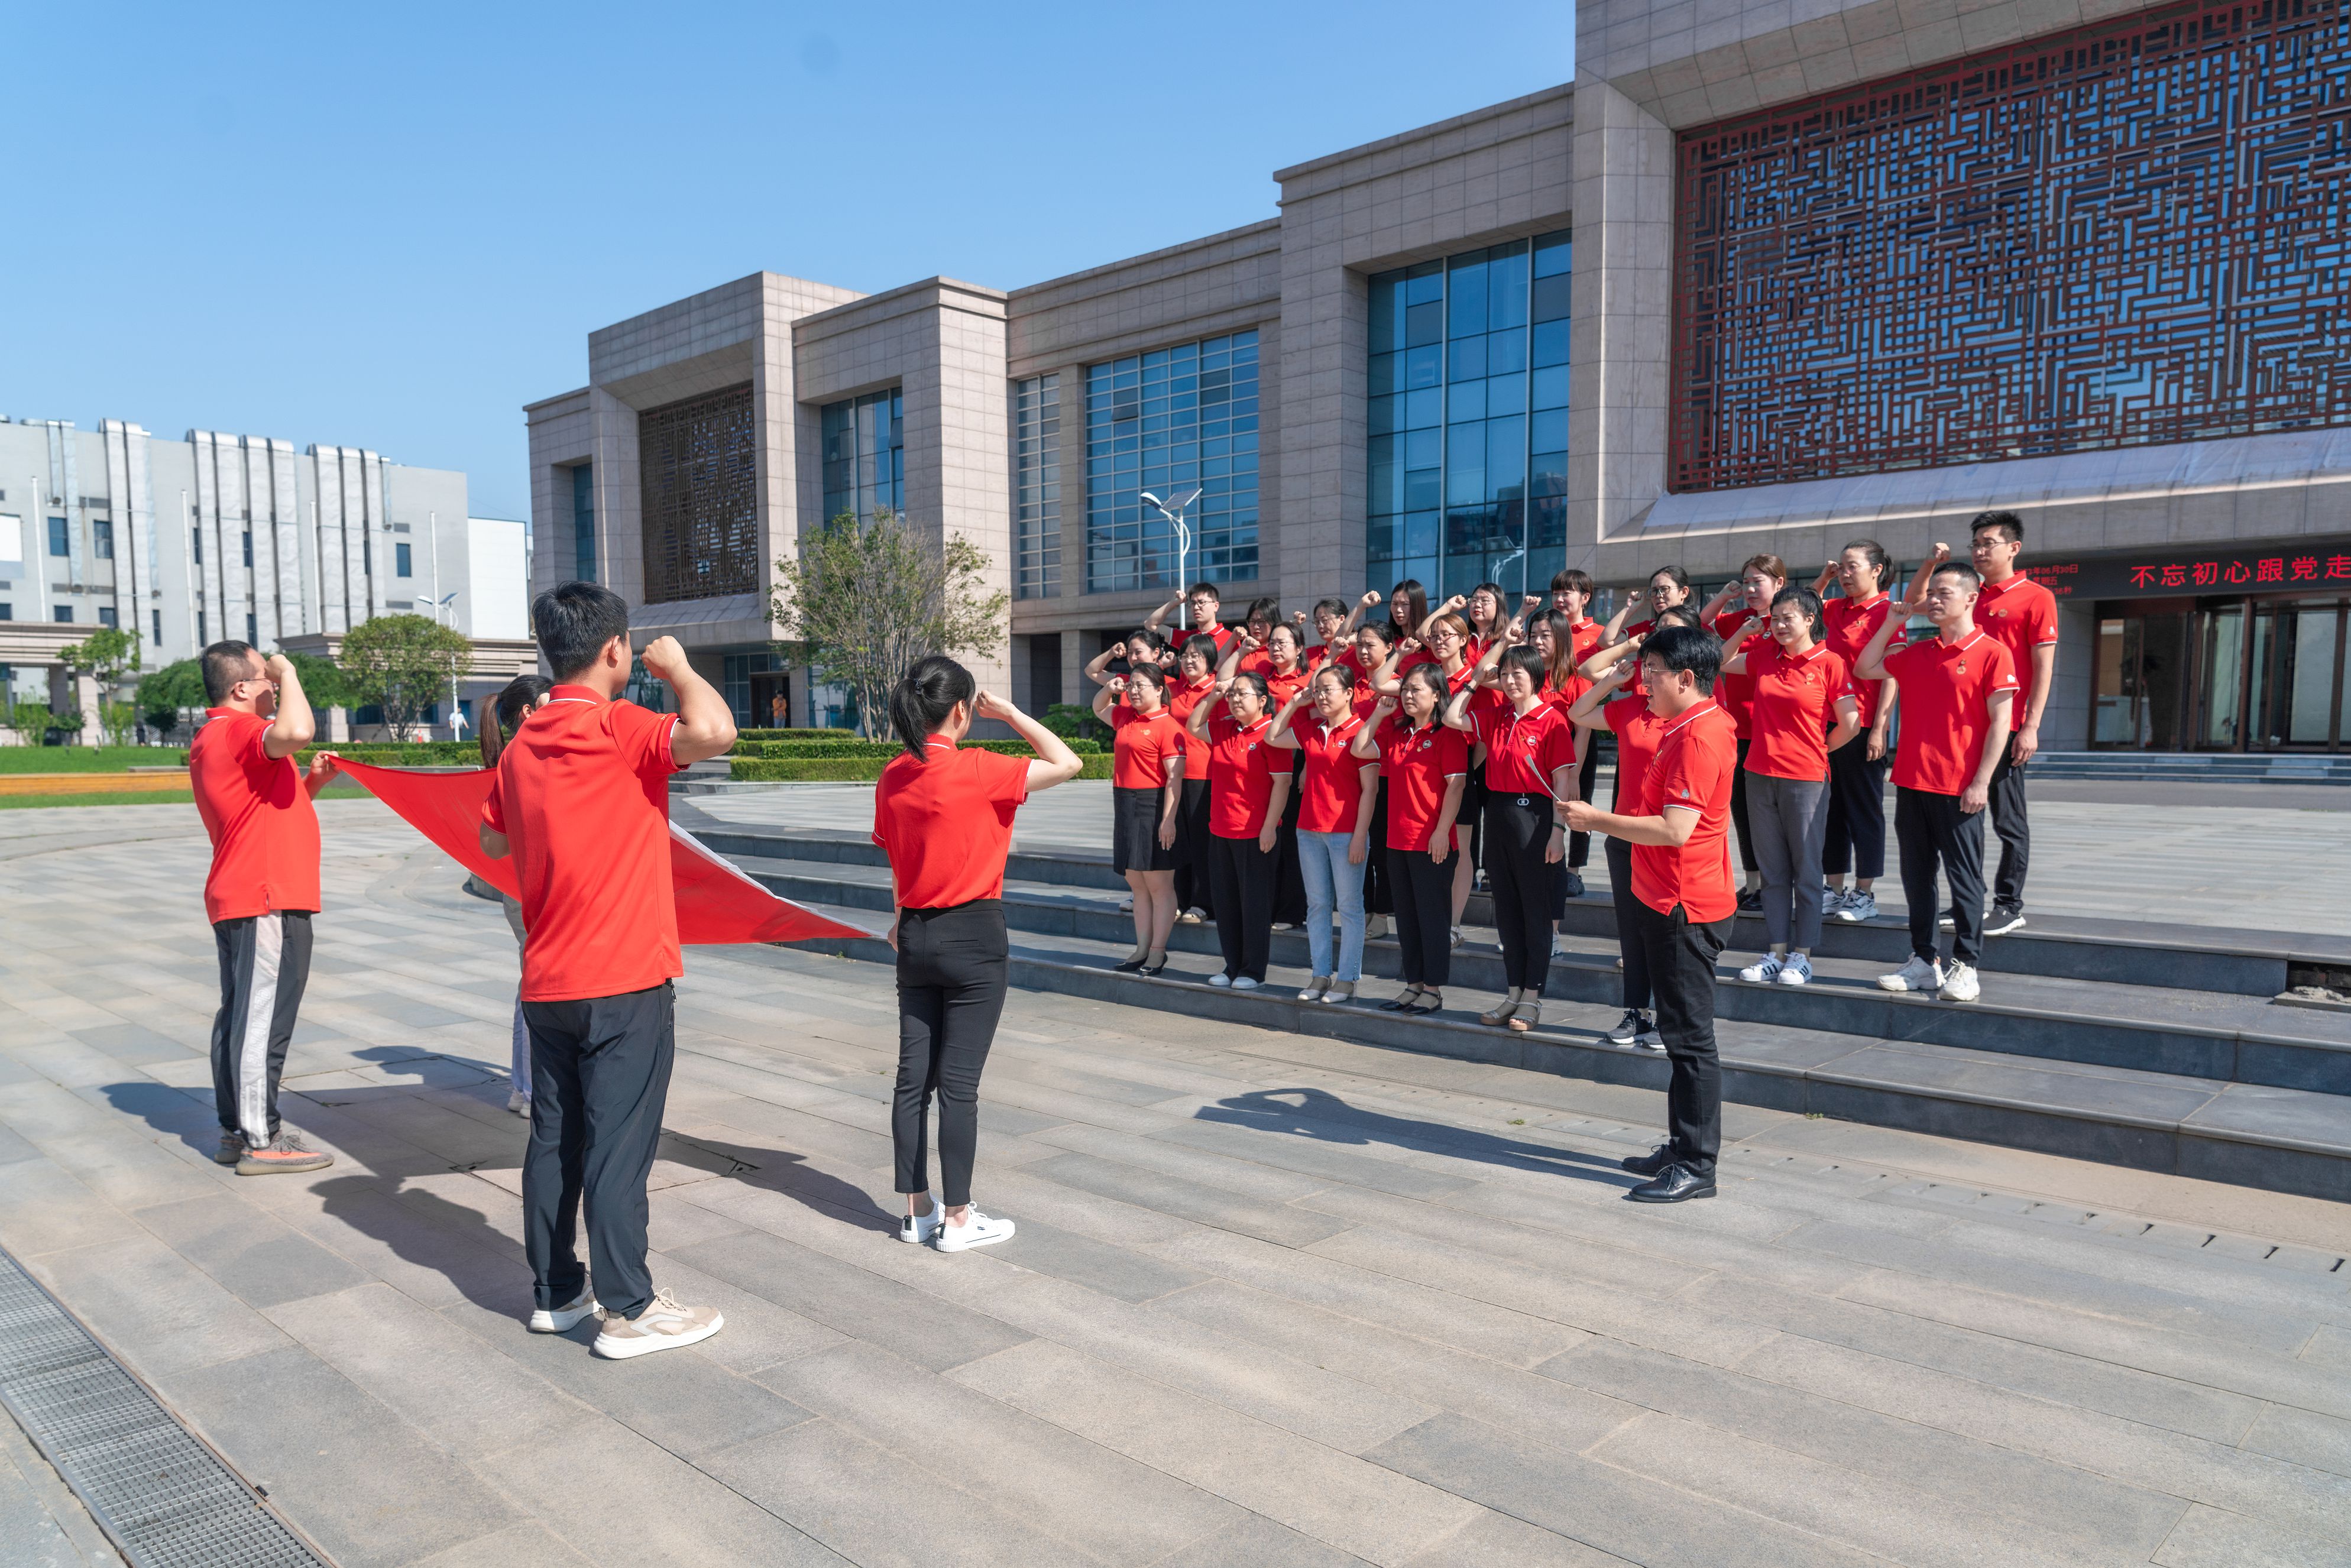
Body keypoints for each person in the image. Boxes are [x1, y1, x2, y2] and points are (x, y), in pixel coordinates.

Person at [479, 582, 737, 1356]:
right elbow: (715, 730)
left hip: (548, 978)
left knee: (555, 1140)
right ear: (615, 649)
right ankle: (630, 1308)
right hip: (624, 975)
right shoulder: (617, 724)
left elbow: (493, 844)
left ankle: (557, 1293)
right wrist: (680, 668)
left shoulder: (523, 744)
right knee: (619, 1147)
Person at [874, 658, 1081, 1253]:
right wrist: (1012, 714)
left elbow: (897, 859)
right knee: (958, 1088)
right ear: (962, 710)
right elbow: (1069, 762)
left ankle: (918, 1212)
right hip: (973, 936)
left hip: (915, 932)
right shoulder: (980, 768)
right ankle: (960, 1219)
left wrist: (901, 918)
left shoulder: (894, 775)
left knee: (912, 1082)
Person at [1565, 624, 1738, 1203]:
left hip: (1684, 904)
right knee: (1677, 1032)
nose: (1645, 683)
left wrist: (1595, 820)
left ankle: (1697, 1165)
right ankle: (1682, 1145)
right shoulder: (1688, 724)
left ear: (1685, 678)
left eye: (1653, 673)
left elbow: (1674, 829)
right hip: (1667, 896)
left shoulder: (1698, 736)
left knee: (1689, 1040)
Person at [190, 640, 341, 1176]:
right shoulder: (237, 730)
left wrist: (312, 783)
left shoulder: (215, 736)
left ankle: (239, 1130)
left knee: (242, 1015)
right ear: (241, 689)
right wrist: (291, 669)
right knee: (259, 1020)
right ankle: (261, 1138)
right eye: (266, 678)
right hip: (265, 896)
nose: (274, 685)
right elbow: (297, 730)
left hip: (249, 892)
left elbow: (260, 810)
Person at [1854, 551, 2018, 1003]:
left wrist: (1982, 781)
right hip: (1912, 782)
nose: (1934, 601)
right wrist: (1892, 622)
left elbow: (2001, 723)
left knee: (1965, 879)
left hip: (1960, 787)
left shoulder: (1992, 653)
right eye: (1932, 594)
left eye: (1944, 593)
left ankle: (1967, 964)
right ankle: (1925, 961)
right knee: (1917, 876)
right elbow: (1865, 667)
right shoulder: (1919, 653)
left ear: (1971, 598)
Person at [1566, 606, 1701, 1052]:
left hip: (1664, 838)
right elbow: (1579, 712)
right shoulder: (1630, 709)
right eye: (1649, 662)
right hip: (1624, 834)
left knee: (1664, 933)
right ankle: (1636, 1012)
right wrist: (1611, 681)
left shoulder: (1690, 718)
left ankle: (1668, 1017)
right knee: (1631, 930)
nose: (1649, 671)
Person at [1716, 587, 1861, 986]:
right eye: (1775, 619)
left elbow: (1851, 723)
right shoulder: (1764, 656)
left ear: (1810, 620)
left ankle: (1803, 955)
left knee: (1807, 871)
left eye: (1788, 618)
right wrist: (1744, 630)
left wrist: (1819, 749)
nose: (1779, 625)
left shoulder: (1829, 662)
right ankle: (1776, 952)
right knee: (1772, 871)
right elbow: (1720, 661)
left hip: (1806, 780)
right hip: (1759, 774)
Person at [1446, 639, 1579, 1031]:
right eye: (1503, 674)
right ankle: (1513, 993)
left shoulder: (1553, 721)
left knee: (1535, 912)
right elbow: (1453, 717)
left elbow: (1562, 782)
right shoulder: (1497, 716)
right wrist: (1476, 681)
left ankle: (1533, 998)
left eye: (1516, 674)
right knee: (1506, 911)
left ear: (1535, 676)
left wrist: (1558, 833)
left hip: (1535, 819)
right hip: (1499, 816)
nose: (1508, 681)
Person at [1352, 663, 1466, 1015]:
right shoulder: (1399, 734)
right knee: (1407, 918)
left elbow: (1456, 786)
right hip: (1397, 841)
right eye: (1405, 689)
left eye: (1417, 689)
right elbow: (1359, 748)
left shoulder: (1448, 735)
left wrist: (1441, 831)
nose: (1408, 695)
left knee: (1432, 919)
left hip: (1432, 842)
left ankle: (1433, 989)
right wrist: (1378, 714)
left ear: (1437, 694)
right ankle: (1414, 984)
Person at [1966, 510, 2058, 935]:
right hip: (1963, 727)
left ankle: (2009, 904)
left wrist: (2031, 726)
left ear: (2013, 548)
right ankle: (1968, 901)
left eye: (1989, 543)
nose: (1980, 551)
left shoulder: (2036, 597)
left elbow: (2043, 668)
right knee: (1964, 818)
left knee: (2008, 820)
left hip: (2006, 726)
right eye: (1976, 544)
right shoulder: (1970, 597)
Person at [1268, 662, 1378, 1002]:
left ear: (1349, 693)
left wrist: (1360, 836)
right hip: (1309, 830)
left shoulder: (1361, 733)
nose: (1320, 696)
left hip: (1346, 833)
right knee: (1317, 906)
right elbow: (1272, 737)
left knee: (1350, 907)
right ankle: (1320, 975)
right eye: (1317, 690)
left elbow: (1371, 791)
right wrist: (1294, 703)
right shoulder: (1311, 729)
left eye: (1327, 689)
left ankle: (1347, 979)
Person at [478, 672, 555, 1115]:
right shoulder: (523, 760)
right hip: (528, 888)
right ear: (529, 711)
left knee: (531, 983)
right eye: (550, 700)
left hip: (523, 886)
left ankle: (523, 1087)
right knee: (537, 987)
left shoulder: (513, 758)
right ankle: (529, 1091)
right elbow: (494, 841)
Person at [1187, 666, 1290, 987]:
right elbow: (1194, 726)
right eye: (1232, 695)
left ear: (1262, 700)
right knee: (1226, 901)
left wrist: (1270, 827)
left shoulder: (1272, 734)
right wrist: (1213, 695)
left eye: (1242, 694)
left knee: (1255, 904)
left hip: (1256, 832)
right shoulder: (1224, 729)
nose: (1234, 700)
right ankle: (1232, 966)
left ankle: (1253, 971)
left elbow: (1282, 784)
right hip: (1221, 829)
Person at [1813, 541, 1899, 922]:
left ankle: (1864, 893)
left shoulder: (1887, 611)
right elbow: (1799, 606)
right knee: (1830, 808)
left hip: (1863, 725)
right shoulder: (1835, 608)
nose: (1846, 575)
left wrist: (1880, 727)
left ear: (1877, 570)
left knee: (1864, 808)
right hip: (1827, 723)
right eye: (1842, 568)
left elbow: (1894, 673)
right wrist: (1824, 578)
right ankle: (1833, 889)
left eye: (1853, 567)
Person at [1699, 555, 1787, 913]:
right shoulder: (1740, 620)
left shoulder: (1785, 621)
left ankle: (1773, 885)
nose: (1750, 589)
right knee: (1741, 810)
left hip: (1772, 731)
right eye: (1746, 582)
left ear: (1779, 583)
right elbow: (1700, 623)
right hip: (1736, 731)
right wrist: (1725, 596)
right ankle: (1753, 884)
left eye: (1758, 582)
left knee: (1768, 814)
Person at [1093, 665, 1184, 976]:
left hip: (1153, 805)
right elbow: (1099, 707)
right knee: (1136, 881)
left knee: (1159, 883)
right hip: (1124, 803)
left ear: (1159, 690)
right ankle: (1141, 949)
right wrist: (1110, 688)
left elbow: (1175, 779)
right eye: (1130, 685)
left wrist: (1168, 820)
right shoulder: (1126, 717)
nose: (1133, 691)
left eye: (1140, 685)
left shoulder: (1168, 726)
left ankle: (1158, 952)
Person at [1547, 571, 1605, 895]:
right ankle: (1549, 860)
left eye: (1567, 592)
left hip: (1582, 727)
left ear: (1585, 597)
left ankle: (1574, 871)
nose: (1560, 598)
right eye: (1556, 592)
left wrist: (1575, 771)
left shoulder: (1598, 635)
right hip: (1546, 730)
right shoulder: (1547, 631)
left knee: (1580, 798)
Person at [1164, 633, 1221, 925]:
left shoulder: (1218, 690)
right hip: (1173, 774)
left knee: (1201, 842)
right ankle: (1180, 899)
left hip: (1205, 774)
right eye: (1184, 656)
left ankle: (1203, 902)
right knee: (1178, 840)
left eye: (1195, 656)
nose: (1188, 661)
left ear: (1210, 660)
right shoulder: (1172, 690)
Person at [1145, 581, 1231, 655]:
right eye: (1193, 603)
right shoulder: (1187, 638)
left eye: (1201, 602)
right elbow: (1150, 625)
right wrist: (1173, 603)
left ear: (1216, 606)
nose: (1196, 607)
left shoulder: (1231, 639)